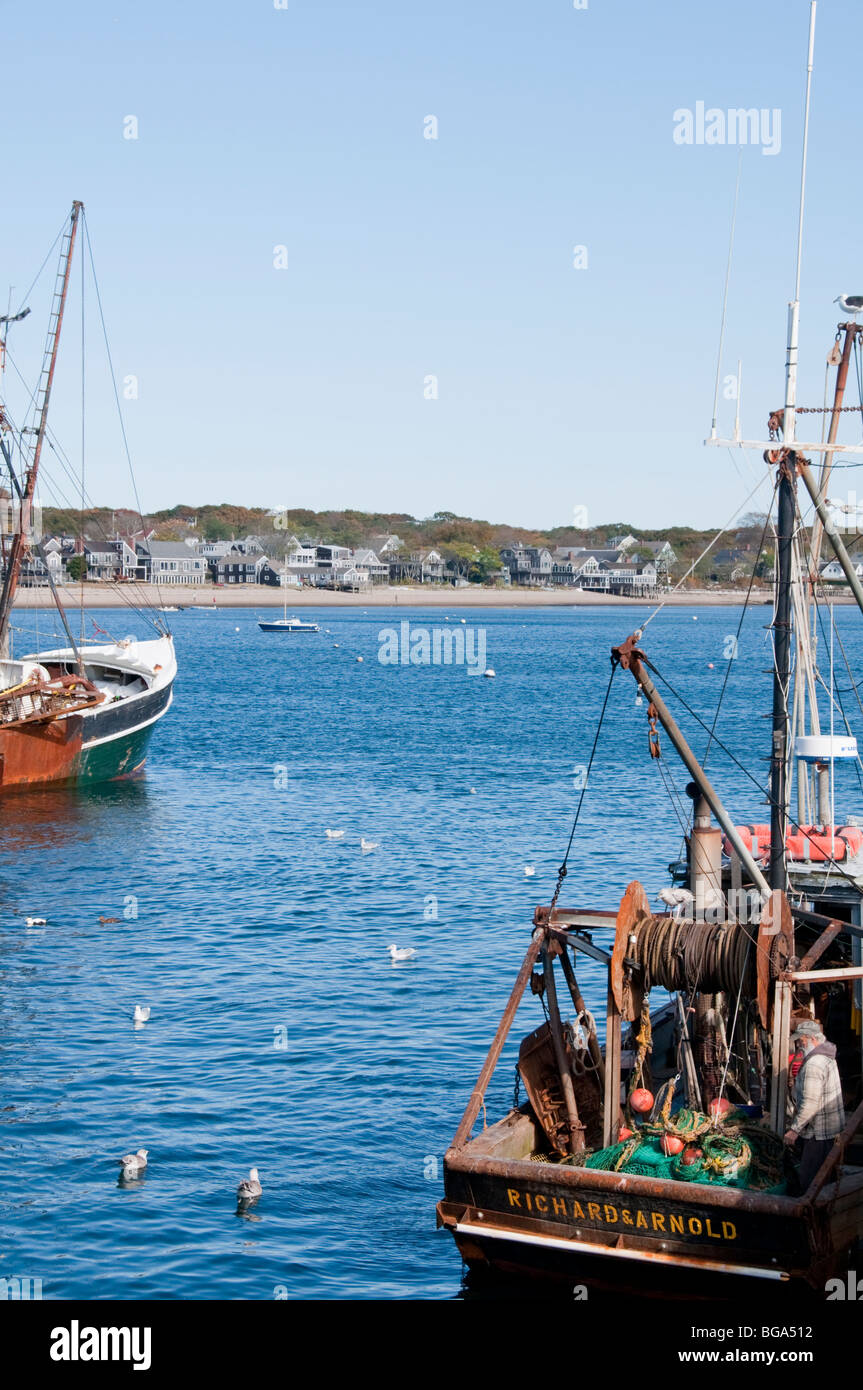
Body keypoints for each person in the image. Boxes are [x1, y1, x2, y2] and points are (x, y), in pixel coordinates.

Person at [784, 1020, 845, 1191]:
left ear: (811, 1039)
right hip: (829, 1132)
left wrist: (794, 1130)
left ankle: (809, 1215)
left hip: (818, 1133)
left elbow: (810, 1104)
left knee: (811, 1183)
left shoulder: (814, 1064)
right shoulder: (826, 1057)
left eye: (801, 1040)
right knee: (827, 1179)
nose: (799, 1044)